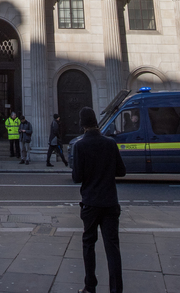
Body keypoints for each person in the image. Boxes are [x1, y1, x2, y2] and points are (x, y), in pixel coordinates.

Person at [72, 106, 125, 293]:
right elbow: (121, 171)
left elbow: (77, 177)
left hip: (91, 203)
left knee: (88, 244)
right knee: (112, 248)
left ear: (82, 124)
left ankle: (90, 286)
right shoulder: (110, 144)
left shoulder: (80, 145)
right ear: (95, 121)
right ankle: (116, 290)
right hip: (110, 202)